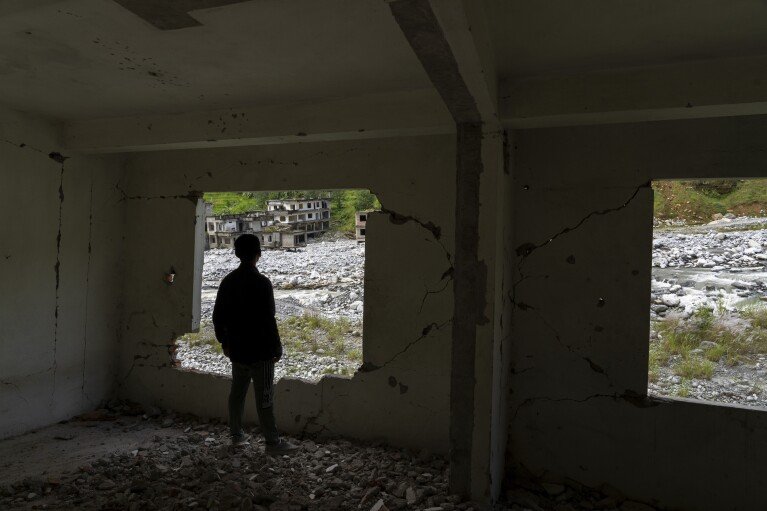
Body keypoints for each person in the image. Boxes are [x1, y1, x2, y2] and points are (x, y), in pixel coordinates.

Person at [212, 233, 298, 453]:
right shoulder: (262, 283)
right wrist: (276, 347)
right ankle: (272, 442)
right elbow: (268, 319)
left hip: (238, 350)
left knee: (237, 393)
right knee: (265, 397)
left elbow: (218, 316)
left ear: (236, 253)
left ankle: (236, 436)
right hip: (261, 351)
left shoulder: (228, 282)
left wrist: (225, 342)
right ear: (258, 255)